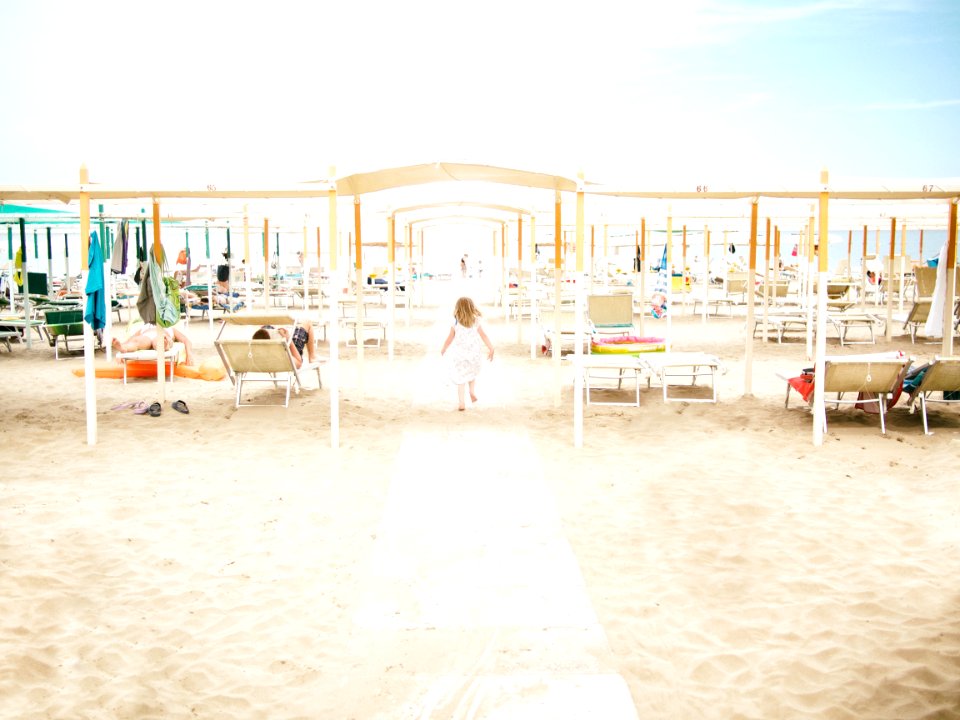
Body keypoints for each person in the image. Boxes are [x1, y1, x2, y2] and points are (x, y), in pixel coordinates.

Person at [440, 296, 494, 411]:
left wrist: (444, 348)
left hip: (459, 355)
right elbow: (484, 335)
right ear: (471, 308)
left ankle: (461, 403)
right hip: (474, 354)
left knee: (461, 378)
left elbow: (449, 338)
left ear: (458, 308)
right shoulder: (476, 321)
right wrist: (491, 348)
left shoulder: (455, 322)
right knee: (471, 373)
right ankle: (471, 391)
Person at [112, 323, 195, 366]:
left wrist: (189, 354)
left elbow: (186, 340)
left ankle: (164, 345)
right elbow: (130, 339)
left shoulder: (170, 327)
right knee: (136, 341)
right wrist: (121, 349)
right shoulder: (145, 326)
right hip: (146, 336)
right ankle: (124, 349)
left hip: (161, 336)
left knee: (160, 340)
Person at [253, 323, 317, 369]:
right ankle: (312, 357)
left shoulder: (253, 358)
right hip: (290, 352)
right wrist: (288, 339)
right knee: (307, 323)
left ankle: (275, 330)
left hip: (270, 352)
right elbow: (299, 362)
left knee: (266, 326)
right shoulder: (285, 359)